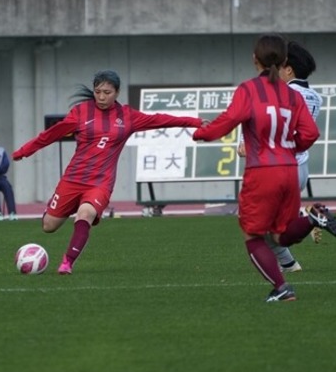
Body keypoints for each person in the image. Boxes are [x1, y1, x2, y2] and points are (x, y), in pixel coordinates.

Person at [193, 34, 336, 303]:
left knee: (252, 234)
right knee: (279, 234)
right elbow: (310, 133)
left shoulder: (249, 89)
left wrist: (202, 133)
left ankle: (282, 287)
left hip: (263, 171)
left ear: (255, 59)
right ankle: (312, 218)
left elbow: (230, 119)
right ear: (284, 61)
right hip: (290, 169)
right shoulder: (292, 94)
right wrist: (290, 148)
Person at [12, 70, 202, 275]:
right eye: (98, 92)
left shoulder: (128, 116)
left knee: (85, 214)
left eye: (107, 92)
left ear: (117, 93)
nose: (101, 97)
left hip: (100, 183)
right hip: (73, 179)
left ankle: (67, 263)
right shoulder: (81, 112)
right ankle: (70, 207)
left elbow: (161, 119)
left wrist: (196, 122)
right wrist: (24, 151)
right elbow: (51, 134)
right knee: (48, 226)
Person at [270, 40, 325, 273]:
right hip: (302, 167)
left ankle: (307, 218)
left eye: (278, 68)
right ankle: (289, 263)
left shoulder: (284, 94)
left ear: (289, 70)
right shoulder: (315, 97)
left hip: (281, 166)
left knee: (256, 222)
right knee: (268, 223)